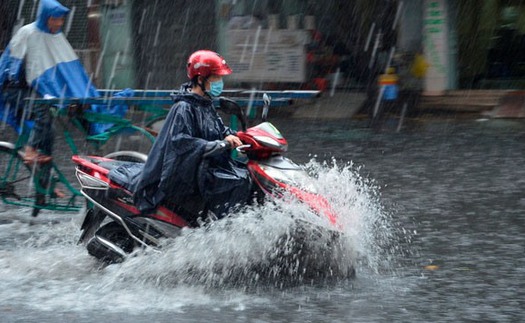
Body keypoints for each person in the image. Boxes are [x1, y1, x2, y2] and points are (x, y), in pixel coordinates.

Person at [0, 0, 129, 165]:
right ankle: (30, 151)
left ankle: (46, 186)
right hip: (13, 88)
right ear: (45, 17)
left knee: (48, 133)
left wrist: (78, 90)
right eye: (55, 19)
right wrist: (47, 88)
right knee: (43, 113)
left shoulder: (56, 36)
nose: (59, 23)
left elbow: (70, 69)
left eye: (61, 19)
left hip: (34, 88)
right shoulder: (28, 33)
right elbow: (21, 67)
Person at [133, 50, 251, 219]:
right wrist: (219, 144)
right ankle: (219, 230)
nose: (220, 83)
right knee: (236, 183)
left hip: (204, 166)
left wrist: (241, 136)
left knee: (245, 176)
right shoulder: (185, 107)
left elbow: (217, 129)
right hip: (186, 173)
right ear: (201, 79)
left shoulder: (205, 104)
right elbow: (182, 142)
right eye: (216, 78)